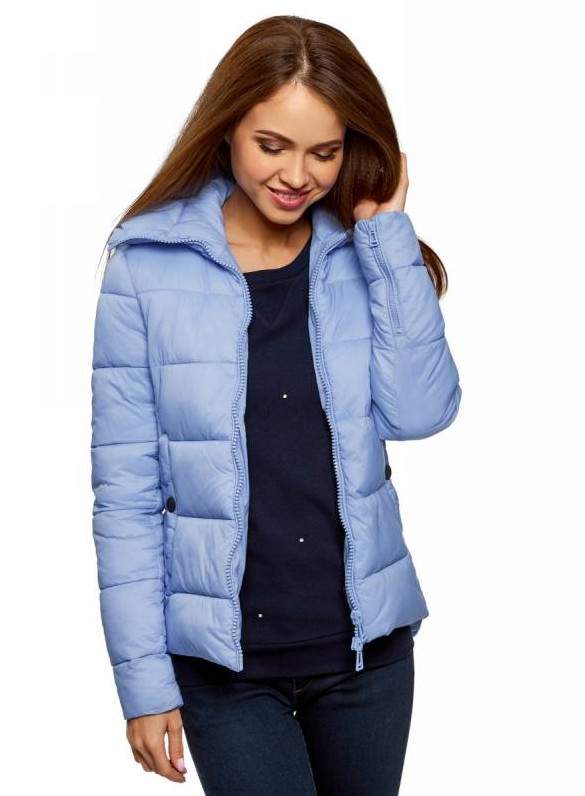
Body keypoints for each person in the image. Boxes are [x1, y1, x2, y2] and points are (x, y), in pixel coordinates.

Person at [90, 14, 462, 794]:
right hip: (224, 668)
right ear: (228, 127)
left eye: (324, 152)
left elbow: (420, 412)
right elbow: (124, 494)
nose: (297, 175)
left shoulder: (361, 251)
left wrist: (389, 236)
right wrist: (144, 683)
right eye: (272, 146)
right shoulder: (145, 265)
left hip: (365, 655)